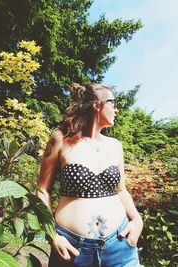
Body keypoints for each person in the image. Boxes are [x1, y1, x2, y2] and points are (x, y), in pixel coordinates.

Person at [37, 83, 143, 267]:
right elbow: (43, 189)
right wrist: (52, 235)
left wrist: (137, 219)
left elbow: (121, 190)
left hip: (120, 245)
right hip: (72, 249)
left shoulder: (115, 145)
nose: (116, 110)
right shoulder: (60, 140)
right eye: (113, 103)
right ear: (97, 104)